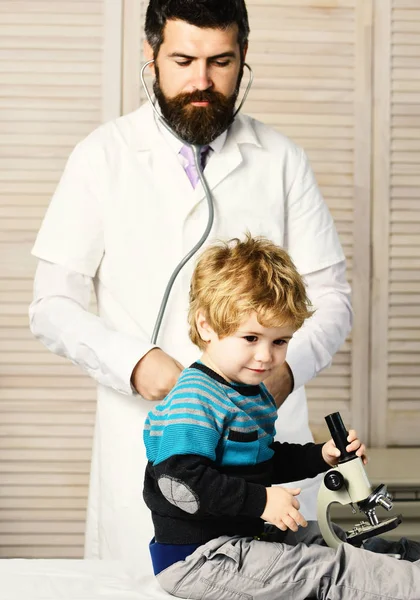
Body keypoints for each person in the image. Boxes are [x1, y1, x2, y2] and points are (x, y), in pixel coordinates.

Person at [28, 0, 352, 574]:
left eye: (220, 61)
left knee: (285, 582)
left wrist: (283, 369)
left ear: (243, 58)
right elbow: (52, 305)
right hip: (145, 434)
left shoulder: (282, 160)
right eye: (182, 60)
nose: (201, 82)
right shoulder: (102, 157)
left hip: (263, 440)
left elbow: (333, 301)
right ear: (151, 58)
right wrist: (135, 362)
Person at [144, 235, 420, 600]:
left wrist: (321, 455)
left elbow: (263, 458)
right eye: (251, 337)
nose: (266, 356)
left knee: (331, 542)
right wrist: (263, 502)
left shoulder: (247, 392)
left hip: (245, 537)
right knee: (326, 569)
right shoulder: (195, 397)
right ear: (206, 326)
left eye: (279, 341)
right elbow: (180, 482)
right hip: (201, 558)